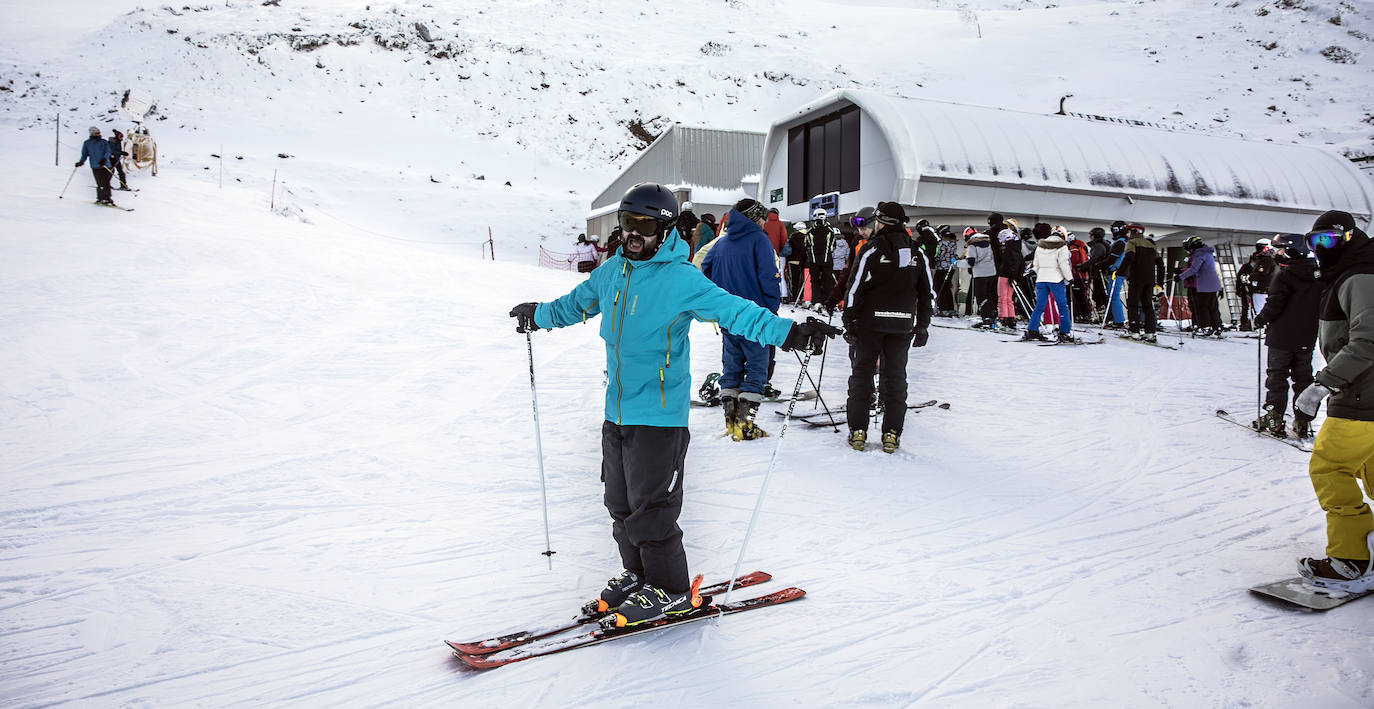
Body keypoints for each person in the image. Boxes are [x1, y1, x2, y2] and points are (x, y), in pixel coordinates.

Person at [507, 182, 840, 627]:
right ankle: (638, 575)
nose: (632, 234)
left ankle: (670, 590)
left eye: (643, 225)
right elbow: (576, 304)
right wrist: (538, 315)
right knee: (619, 504)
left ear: (664, 231)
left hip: (660, 418)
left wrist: (790, 332)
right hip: (618, 412)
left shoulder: (681, 279)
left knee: (653, 509)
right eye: (627, 224)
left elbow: (736, 311)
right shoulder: (613, 272)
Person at [1291, 210, 1374, 593]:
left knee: (1331, 468)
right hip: (1364, 393)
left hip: (1361, 395)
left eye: (1328, 241)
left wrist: (1321, 385)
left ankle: (1351, 559)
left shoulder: (1359, 276)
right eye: (1314, 242)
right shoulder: (1356, 271)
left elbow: (1367, 341)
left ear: (1349, 238)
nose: (1321, 250)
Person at [839, 202, 933, 454]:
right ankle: (891, 433)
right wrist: (923, 324)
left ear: (881, 221)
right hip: (902, 325)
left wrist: (849, 319)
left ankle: (858, 431)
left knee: (862, 375)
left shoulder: (871, 249)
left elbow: (854, 286)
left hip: (871, 323)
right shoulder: (917, 252)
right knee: (895, 378)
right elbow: (927, 293)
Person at [702, 198, 785, 441]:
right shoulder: (759, 239)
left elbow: (706, 268)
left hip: (728, 316)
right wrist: (770, 309)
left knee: (732, 367)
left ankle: (731, 423)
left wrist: (721, 297)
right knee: (757, 368)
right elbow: (769, 277)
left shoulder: (722, 242)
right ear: (754, 217)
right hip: (755, 316)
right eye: (762, 218)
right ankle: (744, 426)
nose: (763, 222)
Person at [1251, 233, 1324, 438]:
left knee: (1277, 376)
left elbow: (1275, 303)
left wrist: (1261, 318)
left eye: (1280, 250)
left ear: (1292, 251)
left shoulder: (1285, 275)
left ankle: (1274, 418)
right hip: (1306, 335)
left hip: (1282, 336)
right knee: (1303, 377)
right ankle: (1302, 420)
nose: (1277, 254)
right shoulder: (1319, 275)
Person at [1020, 226, 1075, 343]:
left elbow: (1036, 265)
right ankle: (1065, 332)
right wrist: (1069, 278)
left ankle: (1032, 330)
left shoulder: (1041, 246)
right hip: (1055, 279)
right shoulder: (1062, 247)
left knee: (1039, 306)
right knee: (1062, 305)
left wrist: (1041, 274)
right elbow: (1063, 264)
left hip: (1041, 279)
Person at [1117, 224, 1162, 342]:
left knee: (1133, 304)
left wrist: (1120, 272)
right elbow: (1160, 264)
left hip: (1137, 278)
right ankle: (1150, 332)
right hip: (1150, 280)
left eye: (1128, 232)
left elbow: (1129, 258)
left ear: (1133, 232)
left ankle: (1134, 330)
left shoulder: (1132, 243)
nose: (1127, 235)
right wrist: (1160, 282)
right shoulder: (1151, 245)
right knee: (1148, 305)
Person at [1176, 236, 1224, 337]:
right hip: (1213, 283)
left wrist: (1180, 276)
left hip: (1203, 283)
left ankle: (1206, 326)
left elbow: (1194, 269)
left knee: (1202, 306)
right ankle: (1217, 326)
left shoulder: (1199, 254)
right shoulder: (1208, 253)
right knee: (1213, 306)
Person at [805, 208, 839, 313]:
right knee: (828, 281)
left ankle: (817, 302)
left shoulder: (810, 231)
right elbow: (833, 245)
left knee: (815, 281)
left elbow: (806, 245)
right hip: (827, 260)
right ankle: (830, 302)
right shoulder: (830, 230)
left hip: (814, 260)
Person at [964, 227, 998, 328]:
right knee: (990, 295)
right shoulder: (988, 244)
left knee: (981, 297)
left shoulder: (972, 246)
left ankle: (986, 317)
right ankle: (993, 316)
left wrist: (958, 263)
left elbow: (971, 262)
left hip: (980, 274)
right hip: (992, 273)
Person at [75, 126, 117, 207]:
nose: (98, 134)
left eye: (98, 133)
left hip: (106, 165)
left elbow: (108, 151)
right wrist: (80, 162)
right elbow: (84, 154)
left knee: (106, 183)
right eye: (96, 133)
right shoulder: (87, 143)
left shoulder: (103, 142)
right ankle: (100, 198)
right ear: (91, 133)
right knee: (100, 183)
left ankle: (107, 198)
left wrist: (104, 159)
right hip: (95, 166)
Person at [933, 225, 959, 317]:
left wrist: (934, 260)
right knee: (947, 288)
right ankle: (949, 307)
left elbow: (938, 255)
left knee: (939, 287)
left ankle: (942, 308)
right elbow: (954, 255)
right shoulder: (953, 243)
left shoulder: (941, 243)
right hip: (950, 268)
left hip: (941, 268)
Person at [784, 222, 808, 305]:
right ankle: (801, 296)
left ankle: (794, 297)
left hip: (793, 260)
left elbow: (789, 248)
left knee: (794, 280)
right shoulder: (807, 236)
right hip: (803, 261)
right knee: (803, 280)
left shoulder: (793, 237)